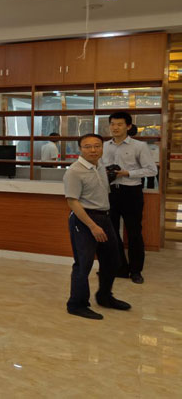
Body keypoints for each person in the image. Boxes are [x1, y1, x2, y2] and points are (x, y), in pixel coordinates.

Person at [64, 133, 131, 319]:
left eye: (97, 146)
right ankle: (76, 304)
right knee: (83, 264)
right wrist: (93, 226)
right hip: (84, 220)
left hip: (104, 218)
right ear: (80, 149)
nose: (93, 150)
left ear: (102, 148)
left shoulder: (100, 166)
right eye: (87, 147)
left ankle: (104, 296)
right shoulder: (74, 171)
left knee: (112, 260)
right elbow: (72, 202)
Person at [102, 112, 157, 284]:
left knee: (134, 233)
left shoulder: (139, 146)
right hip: (110, 192)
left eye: (119, 124)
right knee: (111, 232)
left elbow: (151, 170)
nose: (115, 127)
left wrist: (126, 173)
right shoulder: (104, 146)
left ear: (128, 126)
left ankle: (135, 270)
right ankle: (120, 267)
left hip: (131, 192)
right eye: (112, 124)